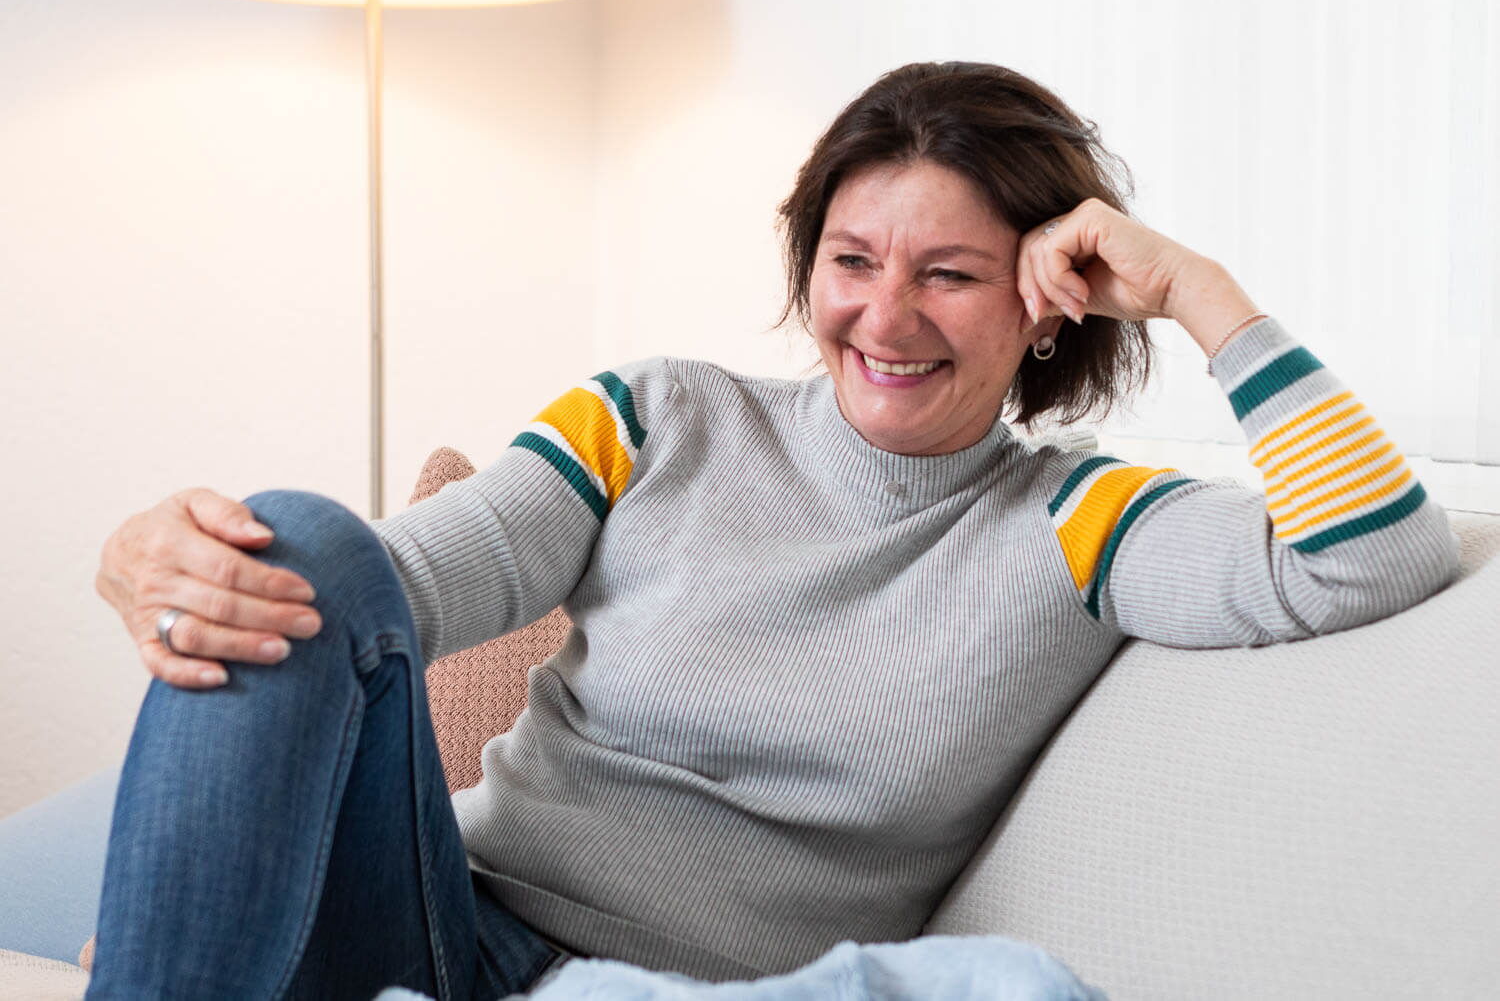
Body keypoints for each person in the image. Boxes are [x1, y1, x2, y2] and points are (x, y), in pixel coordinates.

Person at [84, 62, 1461, 1000]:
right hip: (440, 913)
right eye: (853, 261)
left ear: (1051, 300)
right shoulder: (657, 415)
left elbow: (1371, 555)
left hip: (686, 986)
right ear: (808, 259)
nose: (888, 315)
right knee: (297, 538)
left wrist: (1202, 294)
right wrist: (184, 556)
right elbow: (382, 590)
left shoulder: (1079, 523)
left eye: (953, 274)